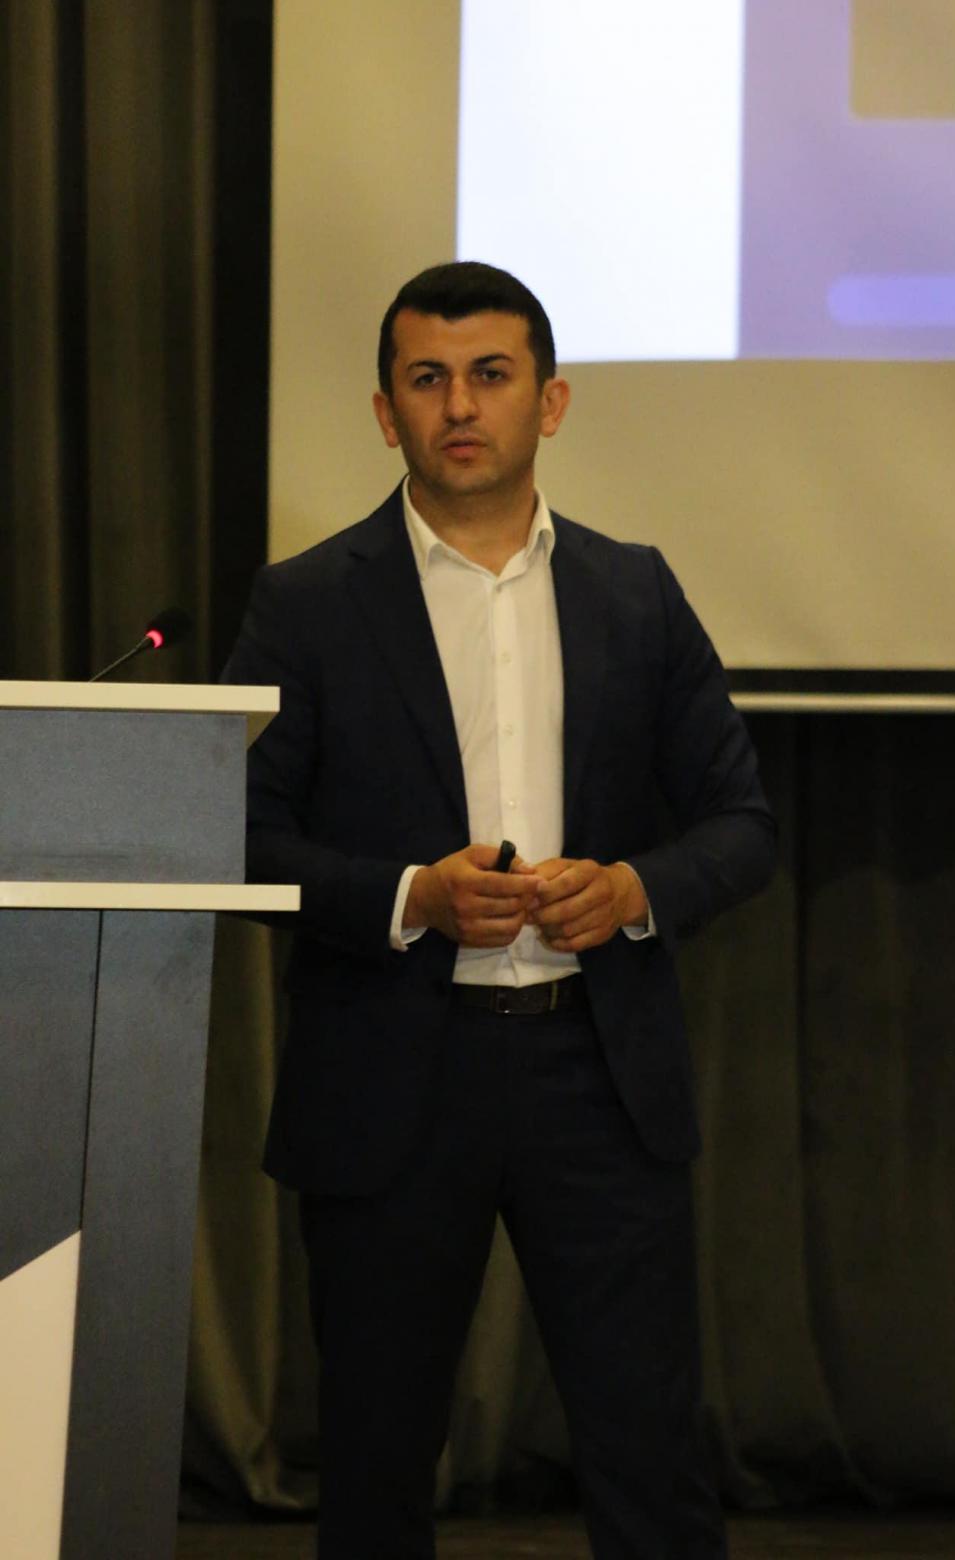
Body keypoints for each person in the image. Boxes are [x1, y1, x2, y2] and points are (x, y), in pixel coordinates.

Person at [224, 261, 776, 1559]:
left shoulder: (634, 591)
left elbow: (741, 822)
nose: (459, 406)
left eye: (489, 375)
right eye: (427, 379)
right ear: (385, 413)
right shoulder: (307, 602)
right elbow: (236, 836)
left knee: (648, 1462)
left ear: (551, 401)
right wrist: (409, 896)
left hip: (597, 1072)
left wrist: (632, 889)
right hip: (392, 1081)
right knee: (374, 1467)